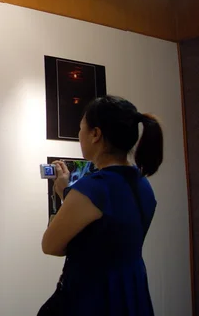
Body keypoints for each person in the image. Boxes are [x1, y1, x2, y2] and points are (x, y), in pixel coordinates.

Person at [38, 95, 162, 316]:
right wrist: (68, 193)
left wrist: (66, 196)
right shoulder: (143, 185)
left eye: (81, 128)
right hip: (132, 292)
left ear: (95, 134)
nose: (79, 135)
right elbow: (106, 234)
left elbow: (50, 244)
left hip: (94, 296)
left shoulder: (94, 188)